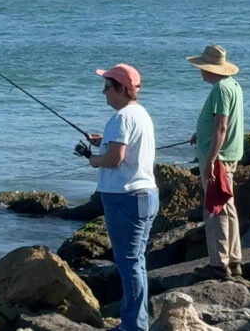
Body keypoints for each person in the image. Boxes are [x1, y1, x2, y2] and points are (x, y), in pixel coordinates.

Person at [86, 63, 158, 331]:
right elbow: (125, 146)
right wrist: (104, 140)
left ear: (120, 89)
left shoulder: (121, 118)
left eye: (107, 87)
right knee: (136, 262)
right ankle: (137, 321)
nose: (103, 92)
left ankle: (134, 326)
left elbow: (116, 158)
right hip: (144, 195)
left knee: (128, 265)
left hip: (125, 198)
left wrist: (94, 160)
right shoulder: (140, 114)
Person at [186, 44, 244, 279]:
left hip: (219, 157)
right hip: (229, 154)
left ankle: (219, 264)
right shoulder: (233, 86)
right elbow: (218, 123)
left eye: (202, 66)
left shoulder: (221, 88)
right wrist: (201, 133)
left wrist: (210, 159)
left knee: (215, 209)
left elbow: (222, 125)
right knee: (227, 206)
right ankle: (234, 259)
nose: (200, 71)